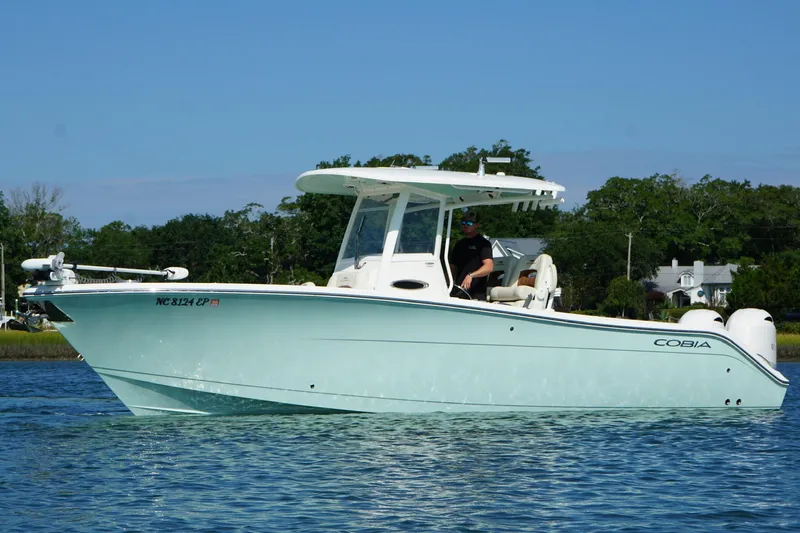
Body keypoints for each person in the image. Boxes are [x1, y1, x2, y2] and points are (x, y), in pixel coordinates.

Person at [448, 211, 494, 300]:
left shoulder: (483, 244)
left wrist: (471, 275)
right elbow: (452, 268)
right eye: (463, 223)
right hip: (459, 292)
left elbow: (489, 267)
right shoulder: (459, 244)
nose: (465, 225)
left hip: (476, 295)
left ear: (477, 225)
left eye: (469, 223)